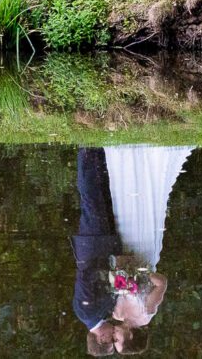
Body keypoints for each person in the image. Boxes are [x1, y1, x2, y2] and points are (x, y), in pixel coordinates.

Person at [71, 148, 122, 355]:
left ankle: (86, 151)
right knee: (102, 196)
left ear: (102, 338)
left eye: (112, 339)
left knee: (91, 199)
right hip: (103, 247)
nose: (113, 334)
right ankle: (98, 152)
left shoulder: (86, 312)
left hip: (93, 246)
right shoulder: (101, 314)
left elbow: (85, 276)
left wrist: (110, 275)